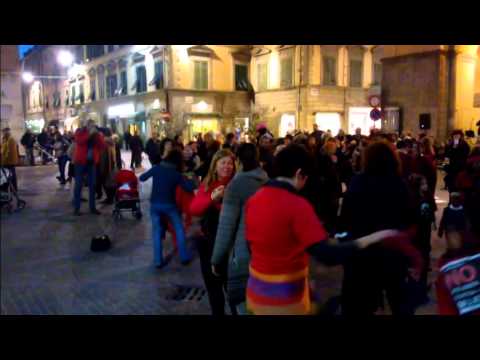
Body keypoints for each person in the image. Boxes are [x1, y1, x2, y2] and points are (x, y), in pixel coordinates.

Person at [244, 144, 409, 315]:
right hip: (285, 300)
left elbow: (251, 244)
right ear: (299, 173)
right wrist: (374, 237)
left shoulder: (255, 199)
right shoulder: (297, 205)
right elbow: (328, 254)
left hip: (256, 293)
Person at [339, 140, 423, 315]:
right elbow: (410, 219)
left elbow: (345, 219)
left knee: (360, 306)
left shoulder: (357, 183)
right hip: (392, 253)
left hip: (363, 253)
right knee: (399, 302)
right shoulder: (399, 185)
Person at [211, 143, 269, 314]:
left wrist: (216, 258)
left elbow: (226, 227)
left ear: (238, 161)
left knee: (244, 305)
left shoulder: (236, 186)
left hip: (243, 254)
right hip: (263, 252)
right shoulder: (265, 180)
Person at [189, 149, 236, 315]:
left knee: (232, 290)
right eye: (223, 162)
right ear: (215, 165)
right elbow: (194, 208)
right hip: (209, 244)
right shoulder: (208, 184)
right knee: (214, 289)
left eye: (230, 163)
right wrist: (212, 199)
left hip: (232, 246)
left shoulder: (237, 184)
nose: (227, 166)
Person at [140, 149, 195, 268]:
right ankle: (184, 257)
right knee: (179, 228)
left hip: (154, 205)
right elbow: (189, 188)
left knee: (156, 231)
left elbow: (142, 178)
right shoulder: (176, 174)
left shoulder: (157, 168)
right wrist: (189, 180)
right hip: (170, 206)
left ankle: (158, 261)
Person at [408, 174, 437, 305]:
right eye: (423, 184)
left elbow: (431, 213)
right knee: (417, 264)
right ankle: (417, 293)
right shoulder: (414, 200)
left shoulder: (427, 197)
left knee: (423, 262)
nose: (426, 186)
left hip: (424, 236)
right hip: (417, 237)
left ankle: (420, 290)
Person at [72, 119, 106, 216]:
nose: (91, 126)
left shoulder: (96, 135)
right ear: (86, 125)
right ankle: (77, 208)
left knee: (92, 185)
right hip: (80, 162)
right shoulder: (80, 131)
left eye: (93, 125)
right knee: (78, 185)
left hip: (91, 163)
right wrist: (89, 134)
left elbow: (102, 145)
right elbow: (79, 141)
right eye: (90, 125)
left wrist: (97, 135)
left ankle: (92, 208)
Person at [97, 129, 117, 205]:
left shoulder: (105, 143)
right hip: (112, 165)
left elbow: (104, 157)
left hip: (107, 166)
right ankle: (111, 198)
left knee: (106, 182)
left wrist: (102, 169)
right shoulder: (112, 142)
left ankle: (110, 199)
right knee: (110, 182)